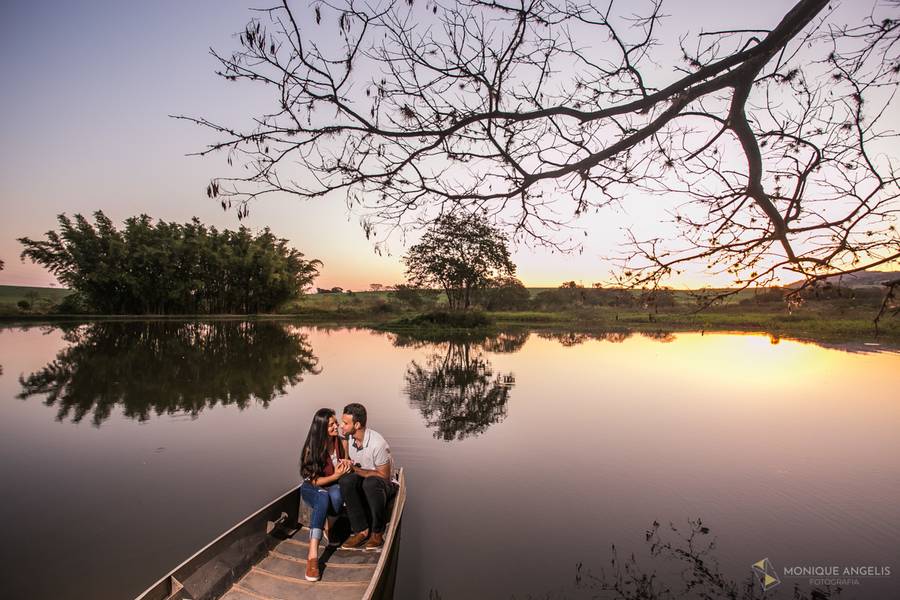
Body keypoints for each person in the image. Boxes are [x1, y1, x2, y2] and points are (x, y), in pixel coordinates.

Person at [299, 408, 352, 581]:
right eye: (332, 424)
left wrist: (347, 466)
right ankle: (312, 555)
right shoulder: (311, 448)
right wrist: (335, 476)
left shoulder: (340, 441)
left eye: (336, 423)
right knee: (323, 495)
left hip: (332, 484)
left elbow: (346, 461)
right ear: (321, 428)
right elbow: (312, 480)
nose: (336, 426)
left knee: (337, 496)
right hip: (312, 487)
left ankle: (328, 526)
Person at [339, 402, 397, 551]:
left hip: (384, 485)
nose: (341, 426)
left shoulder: (377, 444)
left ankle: (377, 533)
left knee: (370, 483)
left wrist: (354, 470)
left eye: (345, 423)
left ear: (357, 425)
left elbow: (384, 476)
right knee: (345, 481)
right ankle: (362, 530)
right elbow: (341, 445)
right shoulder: (349, 437)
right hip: (365, 479)